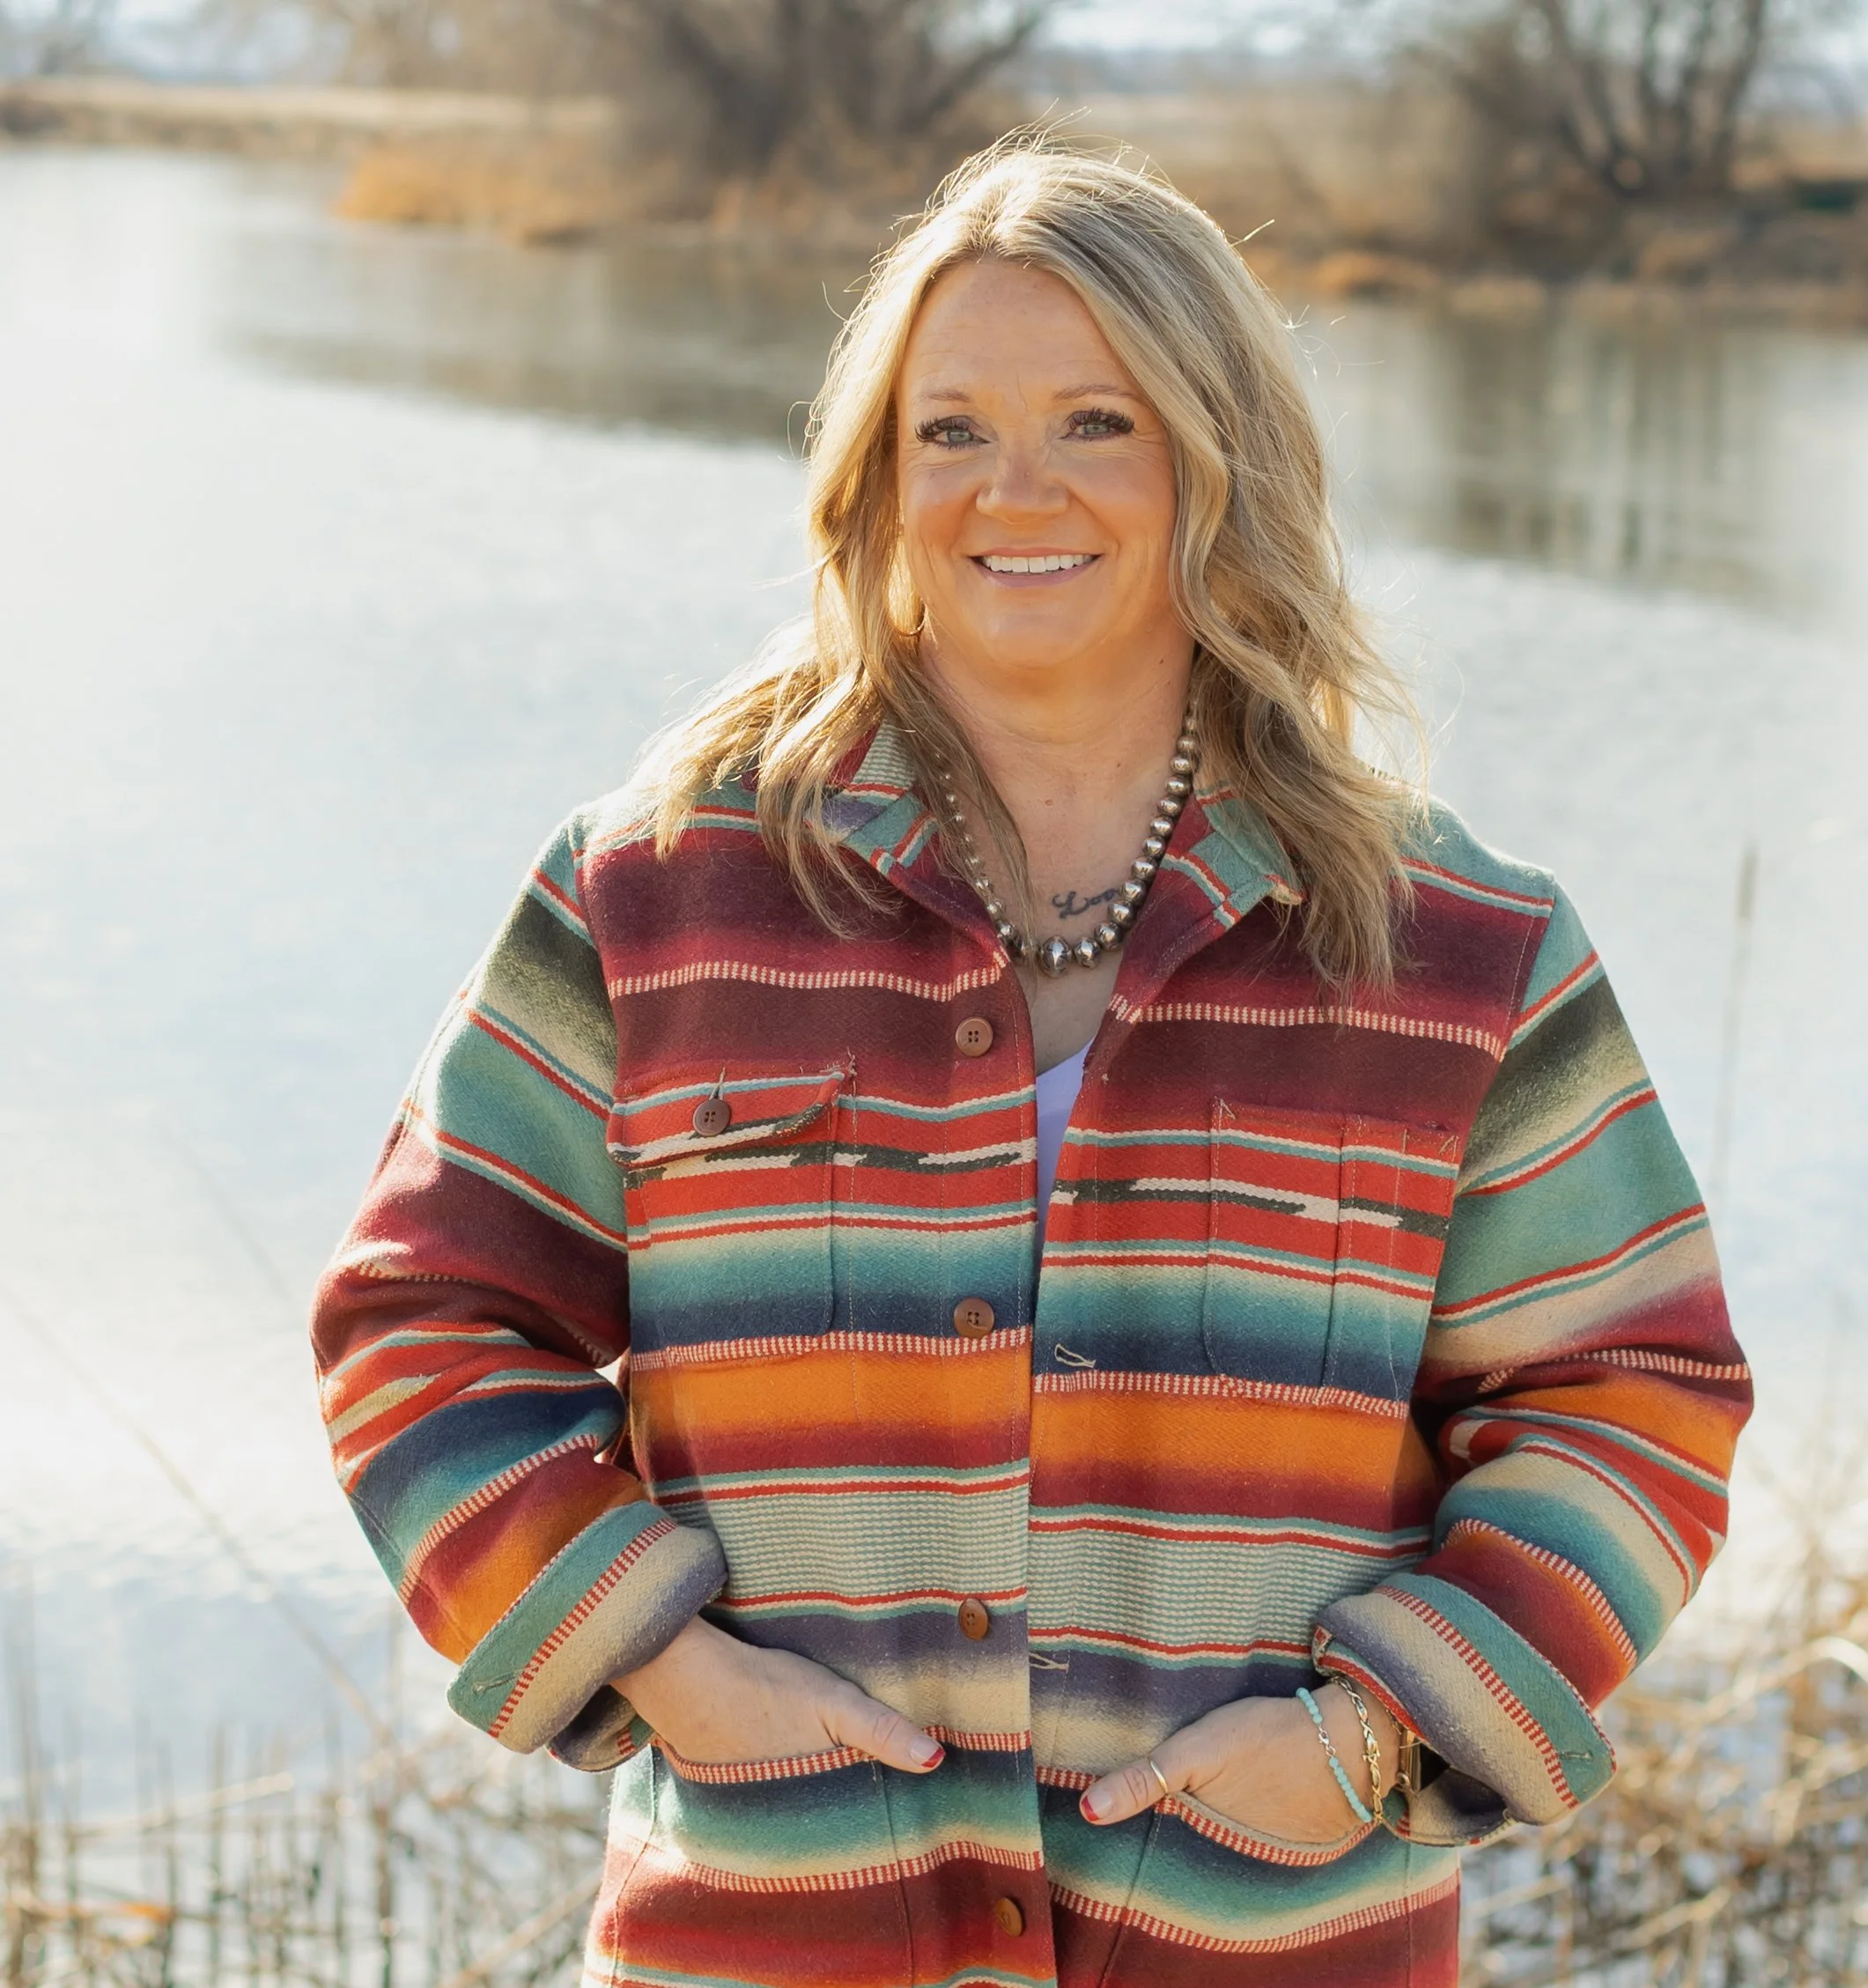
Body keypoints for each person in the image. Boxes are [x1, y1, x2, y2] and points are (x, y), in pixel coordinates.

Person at [312, 141, 1751, 1988]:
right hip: (765, 1948)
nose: (1017, 490)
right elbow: (419, 1323)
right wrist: (661, 1658)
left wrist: (1369, 1736)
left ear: (1215, 462)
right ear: (875, 479)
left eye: (1097, 421)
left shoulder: (1459, 953)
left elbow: (1633, 1396)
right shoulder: (658, 895)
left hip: (1271, 1948)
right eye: (951, 430)